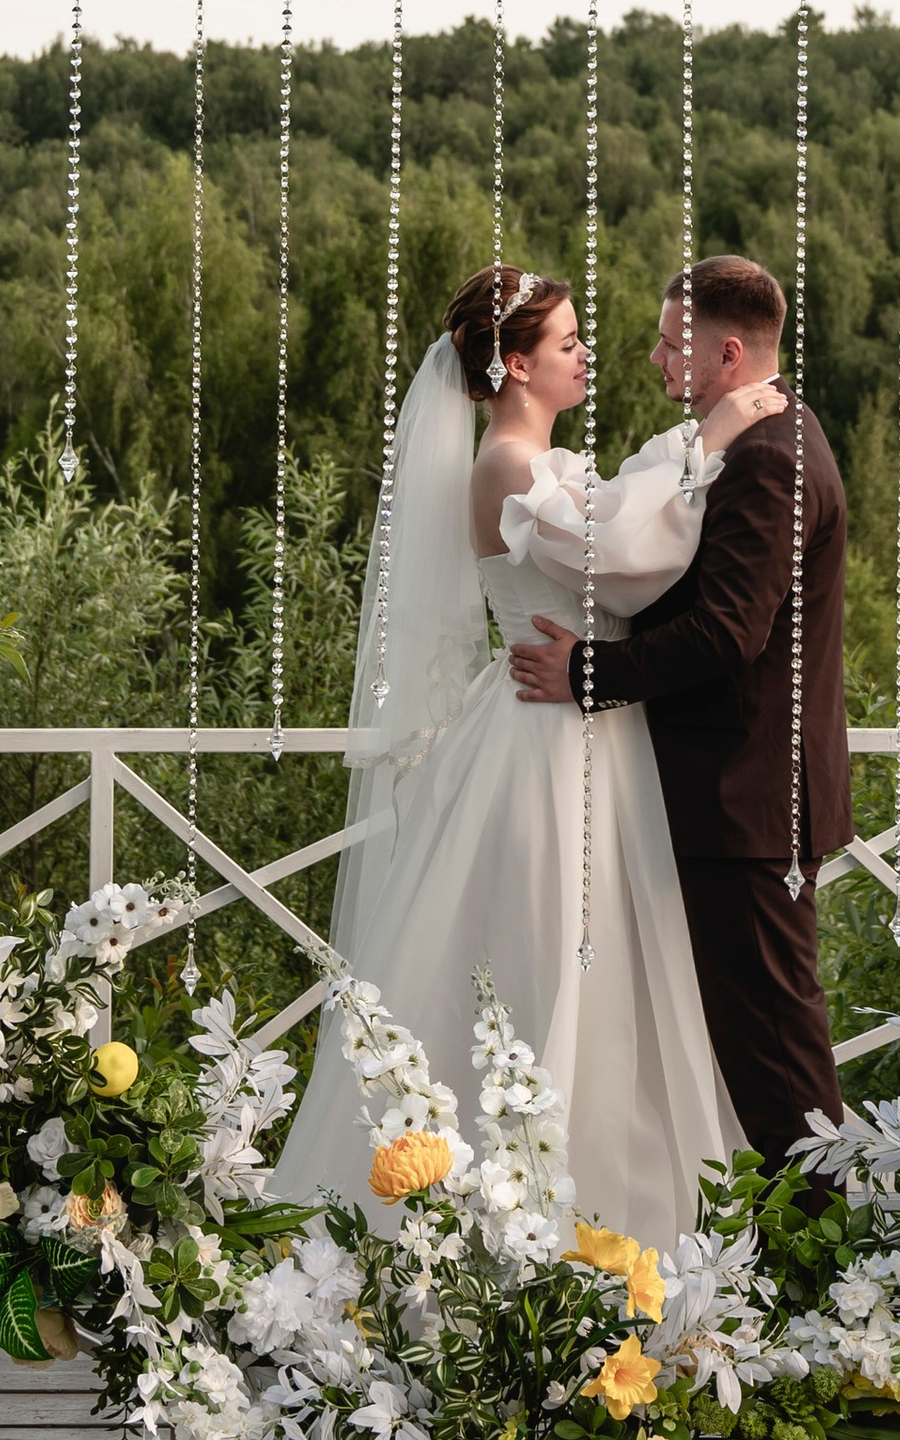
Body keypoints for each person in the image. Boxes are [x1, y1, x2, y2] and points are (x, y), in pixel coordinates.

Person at [271, 263, 779, 1247]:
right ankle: (516, 1226)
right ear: (514, 364)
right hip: (544, 748)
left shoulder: (548, 463)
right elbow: (622, 561)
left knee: (616, 982)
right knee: (544, 958)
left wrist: (692, 450)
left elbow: (625, 532)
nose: (588, 354)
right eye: (568, 342)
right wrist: (710, 438)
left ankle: (614, 1227)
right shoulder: (505, 466)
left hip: (592, 733)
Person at [510, 253, 853, 1178]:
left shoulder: (770, 458)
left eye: (671, 346)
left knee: (776, 1057)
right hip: (731, 795)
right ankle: (791, 1241)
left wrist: (586, 670)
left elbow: (726, 634)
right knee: (751, 1048)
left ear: (727, 354)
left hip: (747, 799)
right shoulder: (759, 438)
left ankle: (823, 1247)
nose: (657, 362)